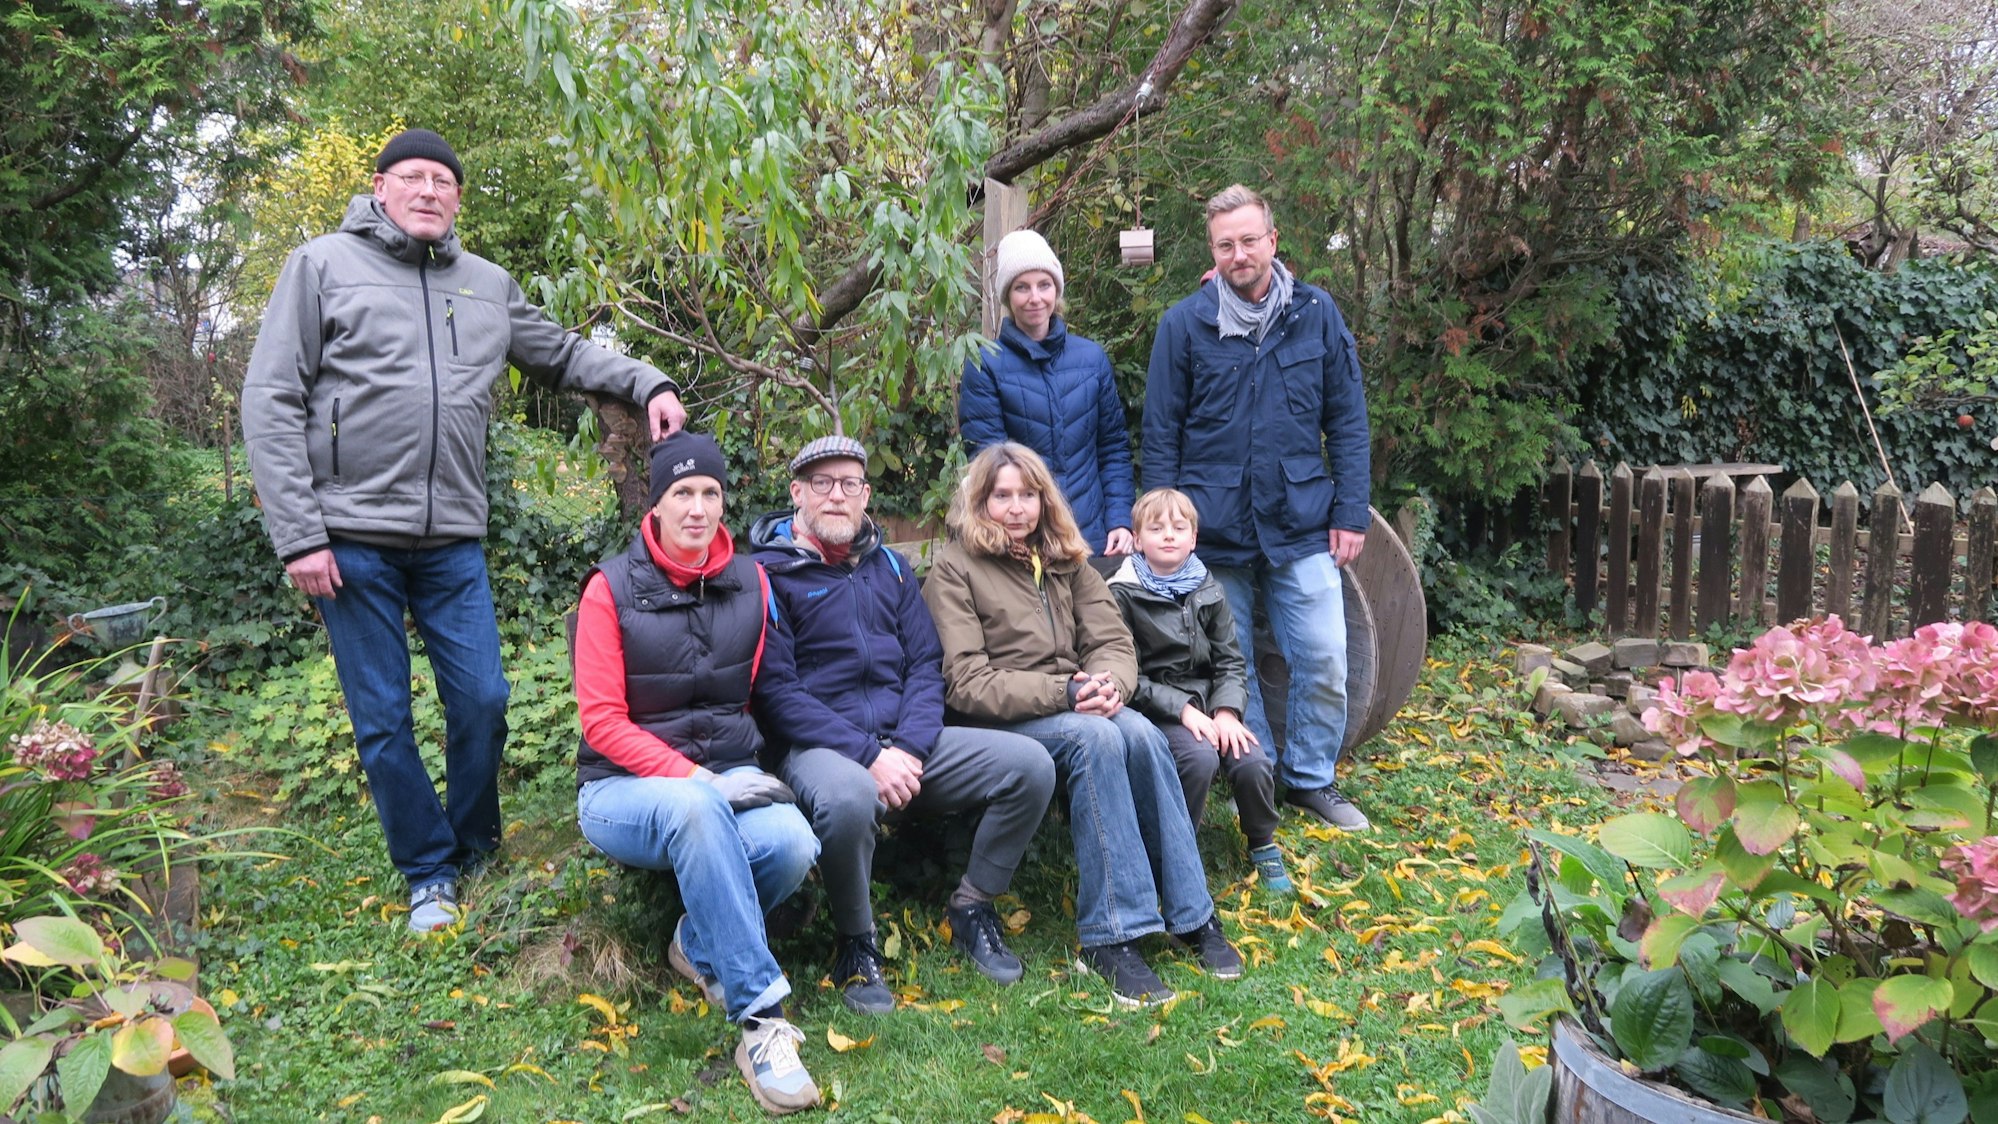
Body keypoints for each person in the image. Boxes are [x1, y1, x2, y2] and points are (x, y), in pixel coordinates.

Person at [242, 128, 692, 932]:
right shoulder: (322, 266)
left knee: (483, 699)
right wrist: (299, 534)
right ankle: (428, 872)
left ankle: (475, 847)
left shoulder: (485, 284)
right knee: (383, 715)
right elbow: (271, 398)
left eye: (443, 181)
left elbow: (560, 355)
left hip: (452, 534)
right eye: (411, 177)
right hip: (348, 535)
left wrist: (647, 379)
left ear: (457, 199)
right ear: (379, 187)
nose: (428, 191)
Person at [922, 443, 1241, 1009]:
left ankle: (1193, 915)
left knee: (1139, 732)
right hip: (1000, 720)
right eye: (1002, 496)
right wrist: (1064, 692)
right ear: (980, 501)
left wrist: (1111, 684)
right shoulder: (956, 566)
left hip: (1077, 700)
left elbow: (1112, 641)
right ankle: (1112, 934)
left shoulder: (1067, 558)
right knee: (1095, 738)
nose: (1016, 508)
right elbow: (966, 682)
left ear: (1044, 500)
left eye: (1027, 495)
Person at [749, 435, 1056, 1014]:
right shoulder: (766, 576)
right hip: (822, 746)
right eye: (822, 483)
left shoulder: (890, 567)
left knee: (1030, 766)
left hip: (908, 741)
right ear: (797, 493)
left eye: (849, 484)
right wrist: (870, 755)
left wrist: (909, 748)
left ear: (866, 495)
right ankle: (856, 943)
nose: (836, 496)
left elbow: (925, 664)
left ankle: (972, 904)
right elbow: (777, 694)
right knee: (846, 799)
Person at [571, 431, 821, 1115]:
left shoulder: (751, 580)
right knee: (694, 808)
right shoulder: (608, 590)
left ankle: (695, 941)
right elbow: (602, 723)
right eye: (682, 492)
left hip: (724, 776)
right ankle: (761, 1021)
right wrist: (699, 780)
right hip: (621, 791)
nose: (698, 507)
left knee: (795, 841)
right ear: (654, 506)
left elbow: (755, 691)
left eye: (710, 492)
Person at [1141, 184, 1374, 832]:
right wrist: (1160, 529)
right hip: (1213, 532)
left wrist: (1351, 511)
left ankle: (1311, 779)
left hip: (1301, 521)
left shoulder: (1317, 314)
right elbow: (1160, 434)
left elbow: (1347, 419)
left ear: (1272, 241)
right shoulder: (1183, 326)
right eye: (1226, 244)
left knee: (1326, 656)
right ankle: (1259, 781)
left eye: (1249, 240)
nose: (1239, 253)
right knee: (1229, 668)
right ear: (1212, 254)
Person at [1107, 488, 1290, 893]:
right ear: (1137, 539)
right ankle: (1175, 848)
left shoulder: (1208, 588)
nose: (1168, 536)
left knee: (1252, 760)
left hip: (1211, 704)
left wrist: (1226, 712)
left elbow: (1230, 661)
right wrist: (1185, 711)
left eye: (1178, 527)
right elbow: (1127, 674)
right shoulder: (1122, 593)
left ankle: (1262, 841)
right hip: (1159, 708)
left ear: (1193, 538)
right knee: (1199, 759)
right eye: (1156, 528)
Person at [960, 229, 1136, 557]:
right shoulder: (985, 364)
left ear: (1057, 289)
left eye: (1044, 285)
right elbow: (989, 464)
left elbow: (1112, 449)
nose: (1035, 298)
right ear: (1008, 297)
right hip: (1026, 542)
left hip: (1093, 537)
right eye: (1021, 287)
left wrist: (1120, 519)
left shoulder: (1092, 359)